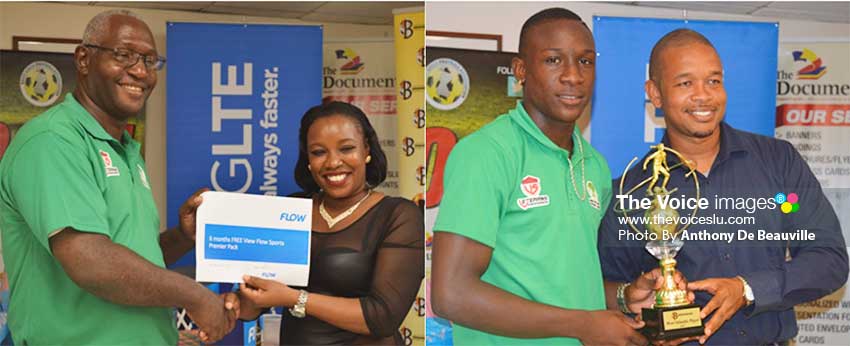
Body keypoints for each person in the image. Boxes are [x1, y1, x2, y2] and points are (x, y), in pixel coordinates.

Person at [429, 8, 689, 346]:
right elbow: (452, 294)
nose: (573, 76)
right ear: (521, 70)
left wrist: (626, 295)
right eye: (553, 60)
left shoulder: (592, 164)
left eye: (585, 62)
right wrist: (582, 325)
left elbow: (566, 284)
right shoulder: (487, 153)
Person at [0, 10, 238, 345]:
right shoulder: (54, 141)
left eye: (150, 60)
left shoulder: (124, 150)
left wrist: (182, 237)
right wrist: (195, 295)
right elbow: (90, 259)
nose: (140, 71)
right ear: (84, 59)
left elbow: (128, 259)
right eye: (123, 55)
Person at [598, 29, 849, 345]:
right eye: (685, 83)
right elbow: (607, 290)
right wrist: (634, 302)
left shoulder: (778, 163)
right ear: (656, 93)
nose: (703, 95)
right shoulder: (632, 192)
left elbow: (828, 259)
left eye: (714, 81)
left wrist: (747, 289)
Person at [235, 101, 425, 345]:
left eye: (346, 149)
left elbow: (383, 317)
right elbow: (257, 303)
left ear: (366, 150)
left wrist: (295, 299)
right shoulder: (290, 209)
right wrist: (239, 304)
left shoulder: (398, 215)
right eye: (319, 152)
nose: (333, 162)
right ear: (308, 159)